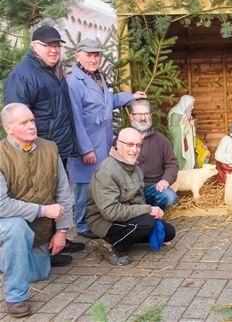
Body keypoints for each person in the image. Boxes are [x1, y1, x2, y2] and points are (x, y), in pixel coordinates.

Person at [3, 25, 83, 259]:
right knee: (37, 196)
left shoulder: (53, 72)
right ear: (34, 46)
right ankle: (37, 249)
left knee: (56, 194)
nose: (54, 50)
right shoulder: (22, 75)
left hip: (57, 148)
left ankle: (58, 239)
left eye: (57, 46)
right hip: (35, 151)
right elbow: (16, 116)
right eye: (48, 46)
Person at [67, 38, 147, 238]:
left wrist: (130, 96)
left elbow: (107, 101)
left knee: (99, 184)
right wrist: (85, 148)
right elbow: (74, 119)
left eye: (97, 55)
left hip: (102, 141)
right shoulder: (73, 83)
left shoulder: (97, 76)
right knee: (84, 186)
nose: (94, 59)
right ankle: (82, 225)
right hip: (87, 143)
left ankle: (98, 221)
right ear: (78, 56)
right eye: (89, 55)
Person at [0, 103, 74, 318]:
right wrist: (43, 210)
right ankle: (16, 298)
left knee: (39, 273)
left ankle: (12, 259)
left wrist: (61, 231)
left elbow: (63, 193)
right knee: (16, 228)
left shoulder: (50, 148)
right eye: (24, 122)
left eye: (32, 120)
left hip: (39, 232)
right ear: (8, 128)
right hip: (7, 224)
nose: (32, 126)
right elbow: (1, 204)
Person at [87, 128, 176, 266]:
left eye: (138, 145)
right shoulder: (107, 170)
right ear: (118, 144)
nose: (134, 150)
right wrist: (148, 210)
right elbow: (110, 212)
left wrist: (150, 214)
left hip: (126, 217)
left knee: (169, 232)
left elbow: (139, 200)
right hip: (105, 222)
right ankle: (111, 244)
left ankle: (131, 235)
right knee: (147, 223)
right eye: (129, 144)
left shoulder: (136, 169)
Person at [129, 99, 179, 210]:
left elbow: (172, 163)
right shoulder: (123, 138)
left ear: (150, 116)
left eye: (146, 114)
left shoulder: (160, 139)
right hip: (129, 188)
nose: (143, 118)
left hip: (153, 187)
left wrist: (165, 180)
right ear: (131, 117)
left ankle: (155, 212)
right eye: (139, 114)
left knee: (169, 197)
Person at [168, 95, 208, 170]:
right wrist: (182, 126)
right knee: (185, 162)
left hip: (189, 144)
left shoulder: (187, 113)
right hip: (182, 145)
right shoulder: (176, 114)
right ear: (185, 104)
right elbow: (173, 131)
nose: (192, 107)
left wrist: (191, 125)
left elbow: (190, 130)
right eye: (191, 105)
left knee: (191, 160)